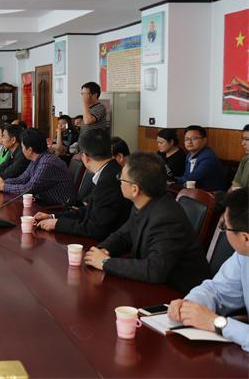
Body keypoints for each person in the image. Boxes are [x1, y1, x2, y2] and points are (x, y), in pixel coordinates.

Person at [84, 152, 211, 295]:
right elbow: (124, 235)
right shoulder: (144, 201)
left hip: (181, 294)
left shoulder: (167, 218)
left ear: (135, 189)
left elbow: (154, 270)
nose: (119, 181)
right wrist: (104, 250)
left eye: (121, 178)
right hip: (154, 286)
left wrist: (105, 262)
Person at [167, 187, 249, 352]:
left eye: (225, 227)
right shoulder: (243, 255)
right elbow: (217, 290)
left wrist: (217, 323)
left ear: (246, 238)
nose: (224, 231)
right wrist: (190, 306)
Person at [33, 129, 131, 240]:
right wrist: (53, 216)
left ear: (85, 157)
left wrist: (57, 224)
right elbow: (90, 211)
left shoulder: (109, 180)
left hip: (107, 243)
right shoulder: (109, 170)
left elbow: (95, 229)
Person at [0, 128, 75, 206]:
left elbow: (29, 188)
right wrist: (4, 182)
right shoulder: (37, 158)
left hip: (59, 207)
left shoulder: (47, 163)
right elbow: (23, 179)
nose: (22, 150)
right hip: (44, 201)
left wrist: (4, 186)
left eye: (22, 147)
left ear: (30, 150)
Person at [176, 125, 226, 191]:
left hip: (211, 194)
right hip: (195, 192)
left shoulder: (208, 158)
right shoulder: (189, 155)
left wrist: (174, 179)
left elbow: (192, 179)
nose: (189, 142)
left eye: (194, 138)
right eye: (186, 139)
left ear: (204, 140)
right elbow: (186, 177)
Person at [230, 124, 249, 190]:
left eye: (247, 139)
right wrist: (227, 196)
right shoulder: (245, 160)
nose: (242, 143)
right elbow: (235, 185)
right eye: (243, 139)